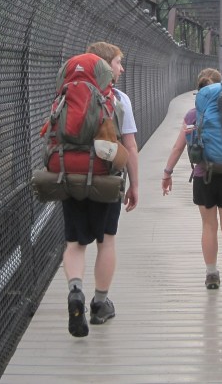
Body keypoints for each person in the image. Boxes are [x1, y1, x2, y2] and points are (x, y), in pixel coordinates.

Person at [62, 41, 139, 337]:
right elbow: (130, 145)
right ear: (107, 66)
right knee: (106, 241)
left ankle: (75, 291)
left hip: (71, 177)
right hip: (107, 180)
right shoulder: (118, 99)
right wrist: (135, 185)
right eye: (119, 63)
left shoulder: (67, 94)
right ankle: (100, 304)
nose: (122, 68)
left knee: (74, 244)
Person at [161, 68, 222, 296]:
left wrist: (167, 173)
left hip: (204, 176)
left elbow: (178, 147)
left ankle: (211, 274)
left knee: (209, 226)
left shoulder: (193, 115)